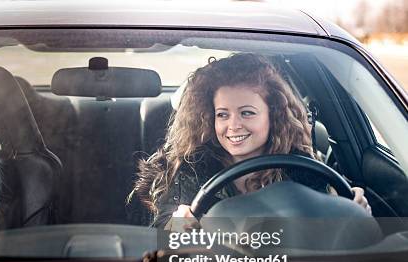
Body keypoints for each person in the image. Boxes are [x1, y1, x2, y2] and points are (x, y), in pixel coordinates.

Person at [131, 53, 370, 229]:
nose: (233, 125)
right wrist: (175, 225)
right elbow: (162, 231)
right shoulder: (194, 167)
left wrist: (351, 208)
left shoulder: (301, 166)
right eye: (222, 114)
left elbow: (325, 229)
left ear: (274, 115)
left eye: (247, 113)